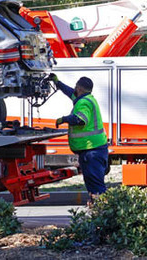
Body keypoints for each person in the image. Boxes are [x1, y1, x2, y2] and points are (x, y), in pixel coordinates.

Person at [50, 74, 109, 202]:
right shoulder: (86, 98)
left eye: (76, 87)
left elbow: (80, 120)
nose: (74, 89)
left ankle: (102, 210)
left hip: (92, 150)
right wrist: (58, 83)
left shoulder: (83, 103)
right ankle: (98, 207)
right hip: (93, 149)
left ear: (79, 88)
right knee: (93, 182)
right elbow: (70, 92)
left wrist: (63, 119)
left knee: (95, 184)